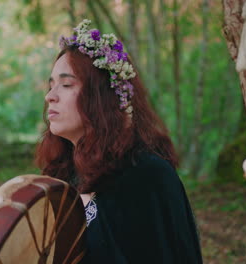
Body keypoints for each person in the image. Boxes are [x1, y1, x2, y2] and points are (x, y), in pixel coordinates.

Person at [35, 19, 203, 264]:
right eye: (51, 86)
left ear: (102, 96)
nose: (50, 96)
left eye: (66, 84)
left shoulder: (146, 175)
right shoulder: (62, 172)